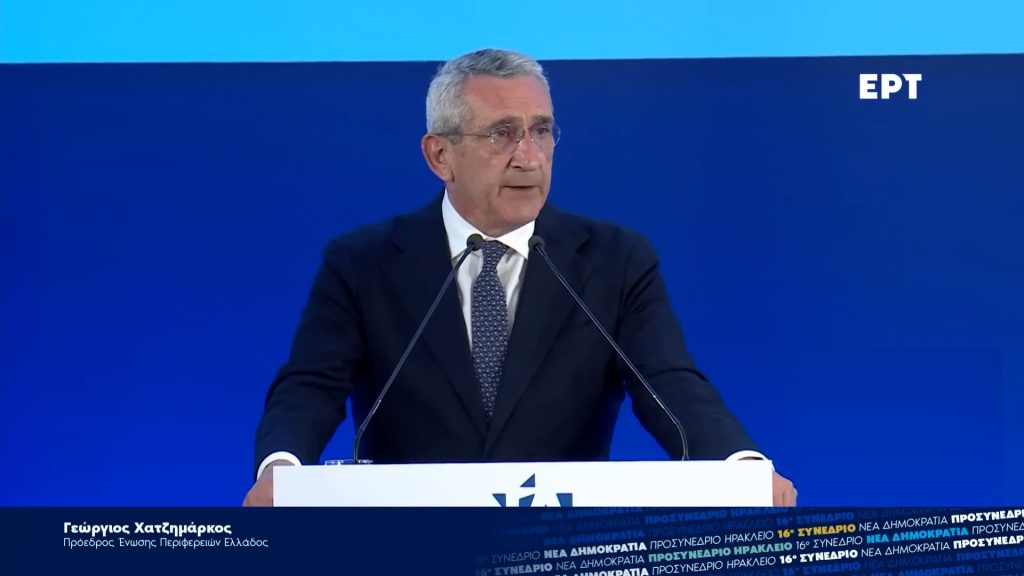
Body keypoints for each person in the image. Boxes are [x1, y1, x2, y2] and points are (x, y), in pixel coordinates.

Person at [244, 48, 797, 507]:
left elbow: (669, 385)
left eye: (542, 131)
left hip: (558, 545)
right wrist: (281, 469)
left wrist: (740, 465)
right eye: (501, 134)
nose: (528, 157)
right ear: (440, 156)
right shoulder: (362, 262)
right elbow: (311, 387)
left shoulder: (614, 260)